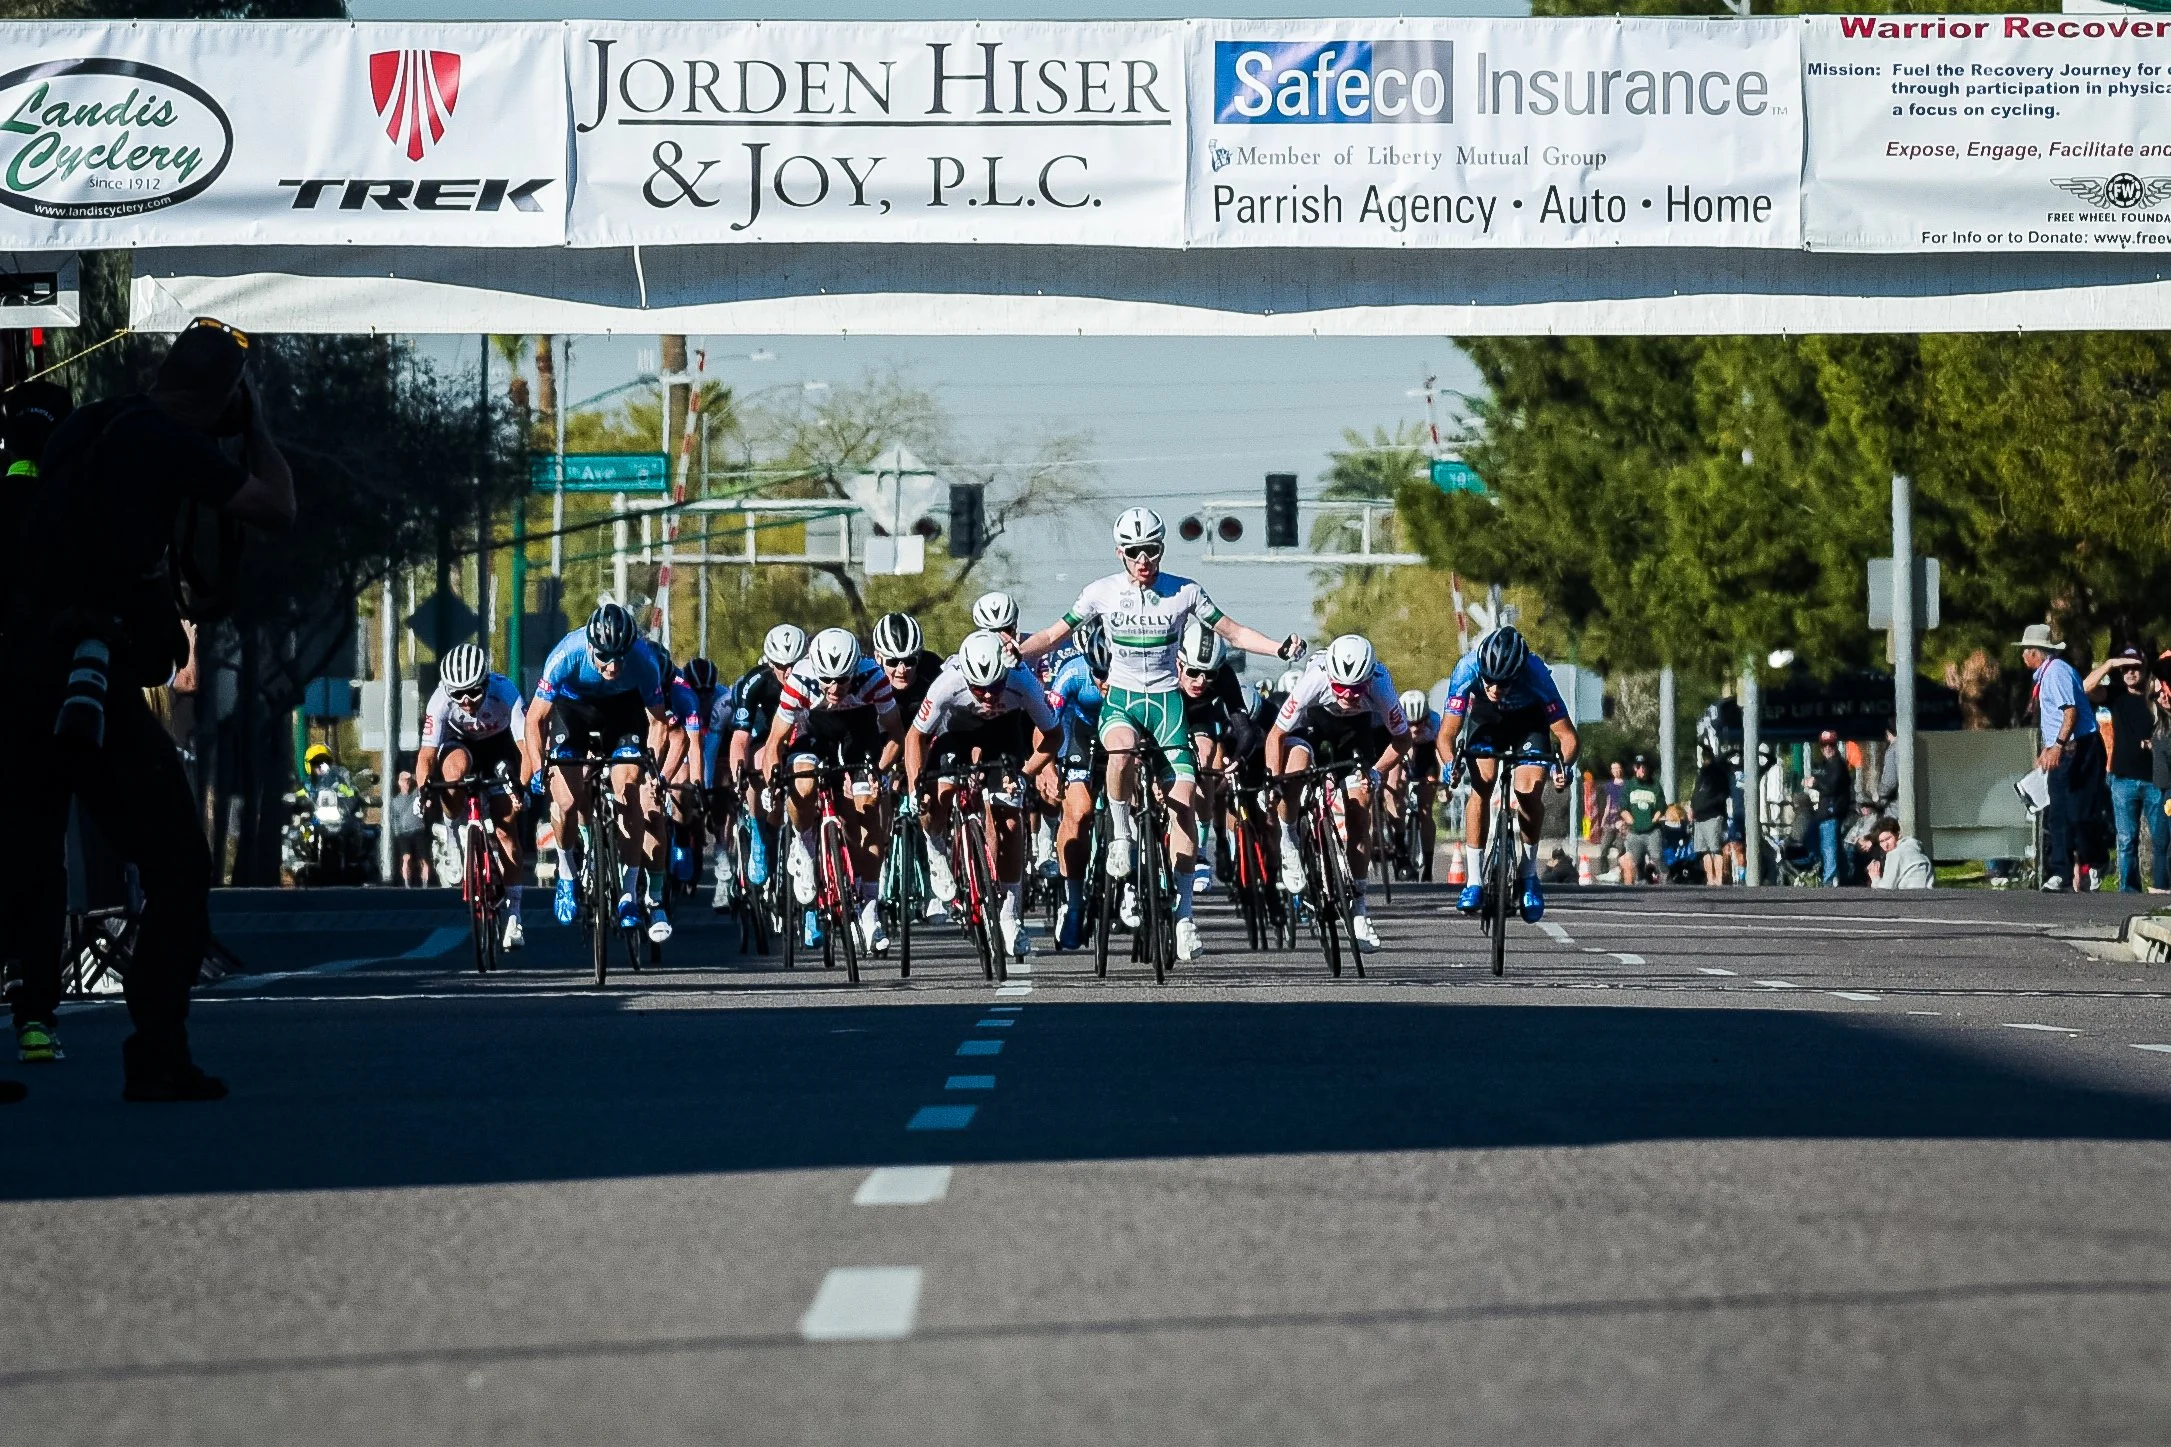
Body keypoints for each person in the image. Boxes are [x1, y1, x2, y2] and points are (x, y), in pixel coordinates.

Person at [5, 317, 294, 1100]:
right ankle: (158, 1051)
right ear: (222, 395)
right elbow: (275, 507)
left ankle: (36, 1016)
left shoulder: (88, 425)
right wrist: (254, 426)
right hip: (89, 676)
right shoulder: (168, 441)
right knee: (179, 863)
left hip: (24, 672)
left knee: (25, 862)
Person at [1015, 507, 1303, 965]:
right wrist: (1017, 650)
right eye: (1134, 552)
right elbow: (1053, 634)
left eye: (1151, 550)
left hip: (1168, 705)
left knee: (1185, 801)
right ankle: (1121, 835)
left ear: (1162, 549)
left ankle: (1185, 917)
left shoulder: (1184, 591)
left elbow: (1232, 631)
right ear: (1120, 553)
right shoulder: (1101, 592)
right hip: (1123, 701)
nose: (1143, 560)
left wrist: (1278, 648)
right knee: (1121, 752)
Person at [905, 630, 1060, 960]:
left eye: (995, 687)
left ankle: (1010, 916)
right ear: (966, 678)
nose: (988, 696)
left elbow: (1053, 735)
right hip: (955, 731)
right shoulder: (947, 683)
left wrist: (1025, 774)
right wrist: (915, 785)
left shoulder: (1022, 681)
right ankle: (936, 847)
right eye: (979, 689)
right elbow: (915, 736)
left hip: (1003, 734)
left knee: (1011, 822)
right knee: (940, 794)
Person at [522, 603, 674, 935]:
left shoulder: (644, 660)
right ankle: (566, 873)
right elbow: (535, 719)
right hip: (573, 711)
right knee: (566, 801)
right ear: (591, 647)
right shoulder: (566, 653)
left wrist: (654, 769)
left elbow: (658, 723)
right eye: (604, 657)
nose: (613, 666)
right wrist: (537, 767)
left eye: (620, 657)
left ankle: (629, 894)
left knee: (629, 790)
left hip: (623, 713)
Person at [759, 627, 905, 952]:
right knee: (804, 783)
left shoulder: (873, 677)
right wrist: (771, 782)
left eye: (843, 680)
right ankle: (804, 843)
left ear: (855, 670)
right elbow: (775, 741)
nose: (835, 688)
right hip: (812, 731)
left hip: (857, 733)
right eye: (827, 680)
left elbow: (896, 735)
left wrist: (880, 773)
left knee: (867, 810)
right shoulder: (801, 678)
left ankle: (870, 911)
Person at [1264, 634, 1411, 952]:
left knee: (1360, 813)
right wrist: (1274, 781)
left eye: (1356, 689)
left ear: (1368, 680)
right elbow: (1276, 735)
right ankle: (1290, 839)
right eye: (1341, 687)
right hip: (1312, 724)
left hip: (1355, 732)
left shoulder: (1381, 685)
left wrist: (1376, 772)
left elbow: (1403, 740)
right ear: (1330, 676)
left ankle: (1359, 909)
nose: (1348, 695)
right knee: (1294, 772)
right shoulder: (1314, 680)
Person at [1435, 626, 1580, 923]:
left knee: (1528, 793)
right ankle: (1474, 881)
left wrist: (1562, 766)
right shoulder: (1466, 669)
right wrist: (1450, 764)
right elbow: (1447, 735)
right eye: (1488, 680)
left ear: (1517, 674)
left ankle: (1528, 875)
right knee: (1482, 785)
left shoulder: (1536, 673)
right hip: (1486, 720)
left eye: (1502, 683)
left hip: (1529, 723)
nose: (1493, 688)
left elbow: (1568, 737)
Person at [415, 642, 527, 944]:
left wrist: (522, 785)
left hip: (500, 748)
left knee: (506, 829)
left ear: (486, 684)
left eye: (474, 693)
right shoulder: (439, 701)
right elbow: (426, 756)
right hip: (460, 745)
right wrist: (423, 790)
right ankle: (452, 833)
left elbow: (525, 746)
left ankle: (514, 915)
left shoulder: (506, 691)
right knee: (453, 772)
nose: (466, 701)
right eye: (458, 695)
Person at [2018, 623, 2105, 891]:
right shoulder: (2046, 675)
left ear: (2036, 652)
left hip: (2079, 747)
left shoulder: (2056, 672)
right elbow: (2054, 717)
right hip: (2064, 747)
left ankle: (2095, 859)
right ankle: (2061, 872)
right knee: (2058, 812)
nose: (2023, 656)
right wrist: (2048, 748)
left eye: (2026, 650)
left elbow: (2070, 712)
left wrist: (2057, 745)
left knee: (2079, 812)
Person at [726, 623, 809, 889]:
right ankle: (759, 834)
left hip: (803, 737)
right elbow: (740, 738)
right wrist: (739, 773)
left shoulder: (815, 678)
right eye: (781, 666)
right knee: (757, 762)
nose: (789, 672)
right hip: (767, 733)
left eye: (794, 664)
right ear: (770, 662)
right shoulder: (756, 682)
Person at [2088, 647, 2165, 894]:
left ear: (2145, 669)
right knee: (2126, 840)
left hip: (2155, 778)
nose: (2130, 673)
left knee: (2162, 838)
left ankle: (2162, 886)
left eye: (2135, 668)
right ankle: (2128, 892)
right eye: (2125, 669)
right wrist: (2110, 663)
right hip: (2123, 780)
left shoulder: (2157, 696)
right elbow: (2085, 688)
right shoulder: (2115, 695)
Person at [1383, 687, 1441, 881]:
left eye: (1420, 722)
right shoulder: (1393, 719)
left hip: (1427, 754)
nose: (1415, 728)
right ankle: (1400, 848)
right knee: (1393, 787)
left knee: (1426, 811)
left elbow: (1440, 753)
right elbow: (1392, 753)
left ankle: (1428, 866)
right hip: (1402, 749)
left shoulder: (1435, 722)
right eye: (1410, 723)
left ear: (1427, 717)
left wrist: (1443, 782)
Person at [1809, 729, 1854, 886]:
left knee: (1829, 848)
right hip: (1826, 812)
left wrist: (1815, 783)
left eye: (1831, 745)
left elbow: (1830, 787)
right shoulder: (1826, 764)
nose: (1827, 748)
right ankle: (1845, 878)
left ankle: (1829, 880)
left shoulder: (1837, 764)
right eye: (1824, 745)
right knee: (1833, 848)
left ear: (1835, 745)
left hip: (1831, 812)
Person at [1618, 755, 1666, 886]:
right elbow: (1623, 808)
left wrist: (1653, 820)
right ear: (1635, 768)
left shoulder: (1655, 785)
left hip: (1652, 831)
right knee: (1634, 860)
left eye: (1644, 766)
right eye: (1639, 766)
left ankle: (1666, 882)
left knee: (1657, 856)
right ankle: (1637, 884)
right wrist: (1632, 821)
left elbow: (1661, 807)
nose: (1642, 769)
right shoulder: (1629, 785)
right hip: (1635, 831)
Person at [1689, 746, 1733, 886]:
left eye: (1707, 757)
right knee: (1704, 851)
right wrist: (1692, 808)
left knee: (1715, 849)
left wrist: (1708, 805)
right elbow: (1695, 794)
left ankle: (1719, 879)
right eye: (1704, 757)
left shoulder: (1718, 773)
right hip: (1699, 817)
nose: (1705, 760)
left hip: (1713, 816)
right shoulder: (1701, 774)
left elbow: (1723, 794)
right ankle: (1710, 879)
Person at [1866, 816, 1935, 889]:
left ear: (1898, 835)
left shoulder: (1895, 853)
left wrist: (1875, 879)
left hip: (1911, 894)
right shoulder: (1915, 848)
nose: (1885, 845)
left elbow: (1886, 888)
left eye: (1888, 839)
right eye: (1881, 841)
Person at [388, 770, 431, 888]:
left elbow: (424, 780)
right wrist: (397, 834)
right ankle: (407, 884)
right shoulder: (395, 801)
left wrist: (411, 777)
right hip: (404, 833)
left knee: (423, 860)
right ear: (399, 783)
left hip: (418, 830)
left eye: (407, 781)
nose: (406, 783)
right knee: (406, 858)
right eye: (403, 781)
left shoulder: (417, 793)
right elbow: (394, 819)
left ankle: (425, 885)